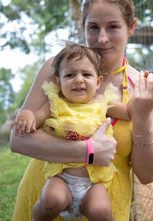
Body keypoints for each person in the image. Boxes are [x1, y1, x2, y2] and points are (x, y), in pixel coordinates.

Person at [10, 0, 153, 221]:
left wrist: (142, 117)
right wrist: (87, 152)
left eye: (113, 27)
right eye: (93, 27)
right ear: (82, 27)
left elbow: (147, 174)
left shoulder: (141, 88)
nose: (102, 38)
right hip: (46, 199)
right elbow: (18, 139)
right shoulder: (58, 69)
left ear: (131, 27)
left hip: (104, 207)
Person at [11, 44, 130, 221]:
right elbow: (35, 119)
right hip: (62, 178)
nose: (79, 80)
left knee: (101, 211)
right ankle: (38, 215)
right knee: (52, 200)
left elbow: (129, 112)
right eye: (70, 75)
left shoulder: (103, 103)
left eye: (86, 74)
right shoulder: (55, 104)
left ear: (98, 82)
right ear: (58, 82)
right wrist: (27, 114)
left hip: (93, 183)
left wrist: (147, 99)